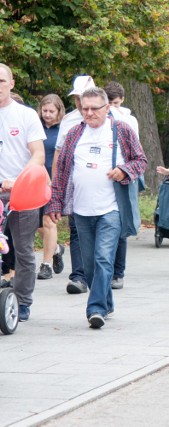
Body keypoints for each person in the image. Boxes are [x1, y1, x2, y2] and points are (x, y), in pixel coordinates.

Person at [48, 87, 146, 328]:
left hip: (110, 209)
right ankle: (107, 301)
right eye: (85, 108)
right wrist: (56, 202)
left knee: (103, 259)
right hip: (81, 210)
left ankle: (96, 309)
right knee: (90, 264)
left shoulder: (121, 130)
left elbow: (140, 161)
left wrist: (124, 170)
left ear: (107, 108)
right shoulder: (74, 134)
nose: (89, 113)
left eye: (94, 108)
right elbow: (61, 172)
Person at [0, 63, 46, 322]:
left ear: (11, 83)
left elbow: (38, 154)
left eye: (1, 81)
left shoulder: (26, 115)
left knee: (23, 249)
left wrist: (18, 180)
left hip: (22, 192)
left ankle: (23, 301)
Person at [54, 75, 96, 295]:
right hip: (75, 186)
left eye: (84, 96)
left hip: (104, 189)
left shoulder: (114, 119)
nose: (80, 103)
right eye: (77, 98)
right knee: (77, 230)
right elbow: (59, 156)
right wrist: (55, 190)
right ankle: (79, 276)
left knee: (103, 235)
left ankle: (102, 274)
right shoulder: (69, 121)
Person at [104, 81, 140, 291]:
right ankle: (106, 270)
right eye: (109, 103)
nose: (112, 107)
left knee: (122, 225)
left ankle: (118, 272)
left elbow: (136, 150)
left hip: (124, 175)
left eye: (116, 103)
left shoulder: (128, 120)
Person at [36, 94, 66, 280]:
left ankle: (46, 264)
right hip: (34, 178)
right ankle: (56, 248)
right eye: (44, 111)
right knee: (34, 224)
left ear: (59, 111)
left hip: (53, 179)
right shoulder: (35, 127)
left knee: (48, 221)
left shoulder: (63, 129)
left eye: (51, 111)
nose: (47, 114)